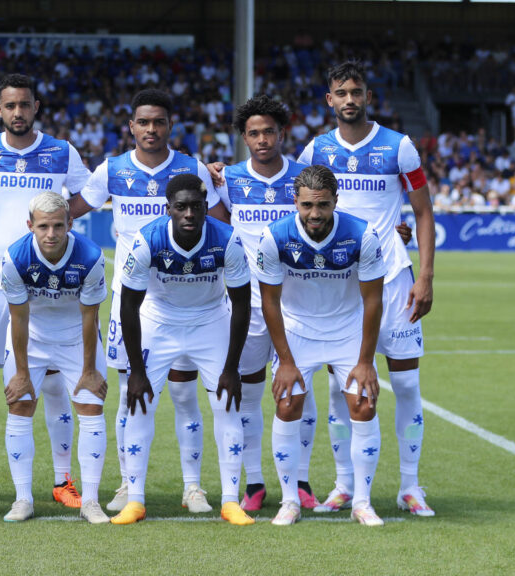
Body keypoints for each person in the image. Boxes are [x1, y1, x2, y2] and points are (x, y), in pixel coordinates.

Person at [70, 89, 229, 515]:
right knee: (130, 392)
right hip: (133, 301)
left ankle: (193, 488)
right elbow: (69, 210)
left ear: (170, 125)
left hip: (187, 297)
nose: (151, 129)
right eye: (143, 122)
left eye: (159, 122)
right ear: (131, 126)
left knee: (184, 393)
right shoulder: (113, 170)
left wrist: (225, 176)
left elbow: (223, 221)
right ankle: (128, 483)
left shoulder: (193, 168)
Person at [297, 61, 436, 517]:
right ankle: (343, 485)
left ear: (368, 97)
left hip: (393, 279)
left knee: (407, 383)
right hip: (339, 284)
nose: (350, 99)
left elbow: (423, 213)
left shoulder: (399, 146)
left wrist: (425, 276)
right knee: (342, 388)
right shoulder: (316, 150)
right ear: (329, 100)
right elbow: (297, 206)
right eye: (341, 93)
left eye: (356, 92)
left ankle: (410, 487)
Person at [0, 74, 92, 509]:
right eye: (10, 106)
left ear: (36, 107)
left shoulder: (61, 151)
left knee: (52, 384)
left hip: (47, 285)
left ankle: (63, 480)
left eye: (24, 105)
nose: (18, 112)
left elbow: (89, 191)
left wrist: (62, 221)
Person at [112, 174, 253, 526]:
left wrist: (232, 367)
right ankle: (135, 500)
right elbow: (128, 306)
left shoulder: (228, 239)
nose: (189, 213)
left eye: (196, 207)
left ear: (206, 207)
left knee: (227, 403)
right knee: (140, 403)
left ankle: (230, 501)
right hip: (159, 319)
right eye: (181, 207)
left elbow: (242, 304)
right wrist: (136, 371)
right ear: (168, 209)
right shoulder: (147, 240)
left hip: (210, 319)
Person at [255, 165, 386, 526]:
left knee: (363, 405)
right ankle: (289, 502)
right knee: (287, 404)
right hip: (298, 330)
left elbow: (373, 300)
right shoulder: (274, 236)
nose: (315, 214)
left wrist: (365, 361)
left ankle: (362, 502)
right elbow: (269, 301)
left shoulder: (362, 234)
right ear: (295, 201)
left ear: (335, 202)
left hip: (347, 330)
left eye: (323, 205)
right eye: (307, 205)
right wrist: (285, 361)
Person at [214, 94, 317, 512]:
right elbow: (219, 227)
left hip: (299, 304)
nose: (262, 140)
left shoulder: (304, 179)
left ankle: (301, 480)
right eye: (253, 133)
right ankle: (255, 483)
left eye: (269, 132)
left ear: (282, 133)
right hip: (251, 306)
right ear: (243, 137)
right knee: (249, 393)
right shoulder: (228, 180)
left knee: (300, 393)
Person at [0, 192, 110, 524]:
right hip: (31, 337)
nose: (51, 234)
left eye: (58, 226)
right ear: (30, 225)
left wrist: (89, 370)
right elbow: (18, 318)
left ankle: (91, 501)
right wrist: (22, 373)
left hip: (76, 337)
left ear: (70, 224)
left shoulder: (91, 257)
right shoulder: (15, 257)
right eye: (43, 226)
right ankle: (23, 499)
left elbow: (90, 316)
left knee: (91, 405)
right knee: (20, 405)